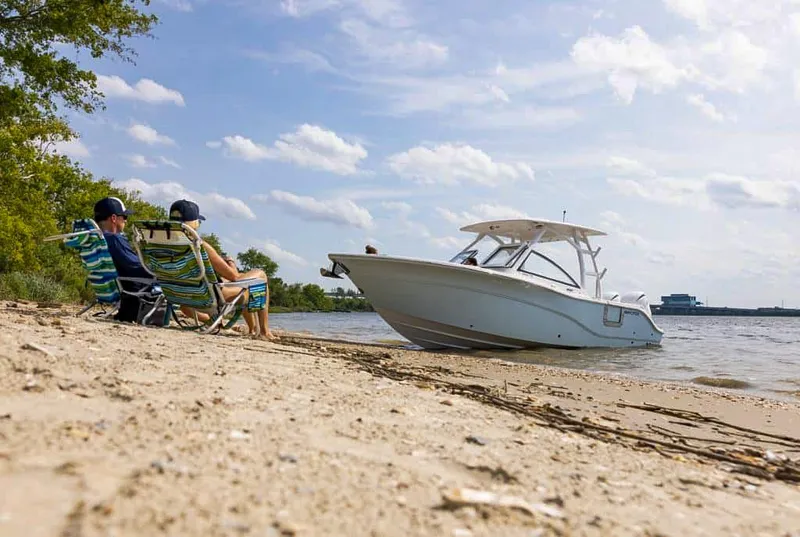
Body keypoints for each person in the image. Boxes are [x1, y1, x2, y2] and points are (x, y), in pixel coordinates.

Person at [169, 199, 278, 341]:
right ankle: (264, 331)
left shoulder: (158, 242)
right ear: (194, 223)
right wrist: (231, 264)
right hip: (208, 295)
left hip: (180, 295)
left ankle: (247, 328)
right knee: (259, 277)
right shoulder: (199, 245)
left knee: (241, 281)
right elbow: (234, 277)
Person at [94, 196, 157, 323]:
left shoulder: (95, 239)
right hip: (134, 291)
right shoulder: (115, 239)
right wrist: (161, 270)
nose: (126, 221)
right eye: (124, 217)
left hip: (114, 287)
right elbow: (138, 269)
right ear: (113, 218)